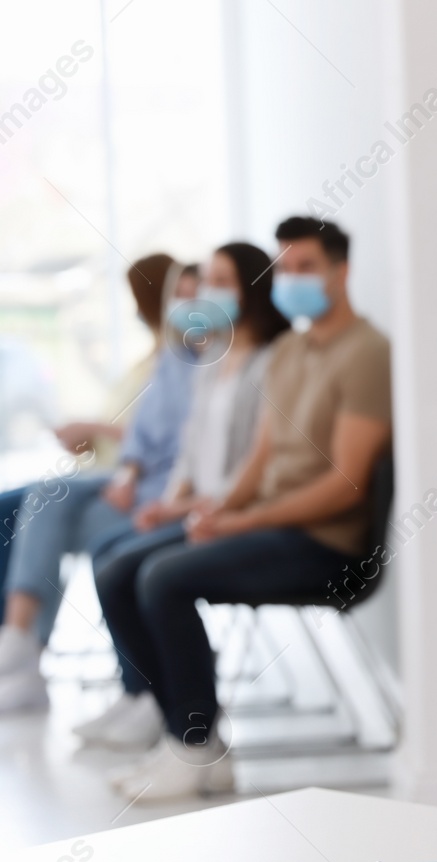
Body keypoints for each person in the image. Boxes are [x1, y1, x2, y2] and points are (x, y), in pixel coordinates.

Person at [107, 217, 391, 802]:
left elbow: (345, 485)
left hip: (322, 541)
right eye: (284, 267)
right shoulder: (289, 350)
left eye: (306, 266)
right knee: (119, 570)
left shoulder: (367, 352)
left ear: (342, 271)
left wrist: (241, 522)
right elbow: (259, 459)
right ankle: (187, 737)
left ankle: (195, 744)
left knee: (164, 578)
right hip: (266, 521)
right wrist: (211, 510)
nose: (292, 278)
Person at [76, 242, 288, 751]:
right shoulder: (216, 361)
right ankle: (160, 709)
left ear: (250, 290)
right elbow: (193, 453)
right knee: (110, 561)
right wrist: (169, 504)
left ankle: (190, 734)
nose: (206, 294)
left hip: (234, 511)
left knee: (145, 574)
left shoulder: (271, 363)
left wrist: (199, 509)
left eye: (220, 282)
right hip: (199, 505)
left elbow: (251, 468)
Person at [0, 256, 197, 714]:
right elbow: (143, 437)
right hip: (120, 483)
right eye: (179, 295)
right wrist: (126, 471)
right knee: (26, 508)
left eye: (196, 294)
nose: (186, 305)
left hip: (155, 495)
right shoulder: (168, 360)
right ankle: (23, 650)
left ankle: (23, 644)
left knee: (42, 510)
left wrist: (118, 456)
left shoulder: (207, 366)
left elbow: (182, 448)